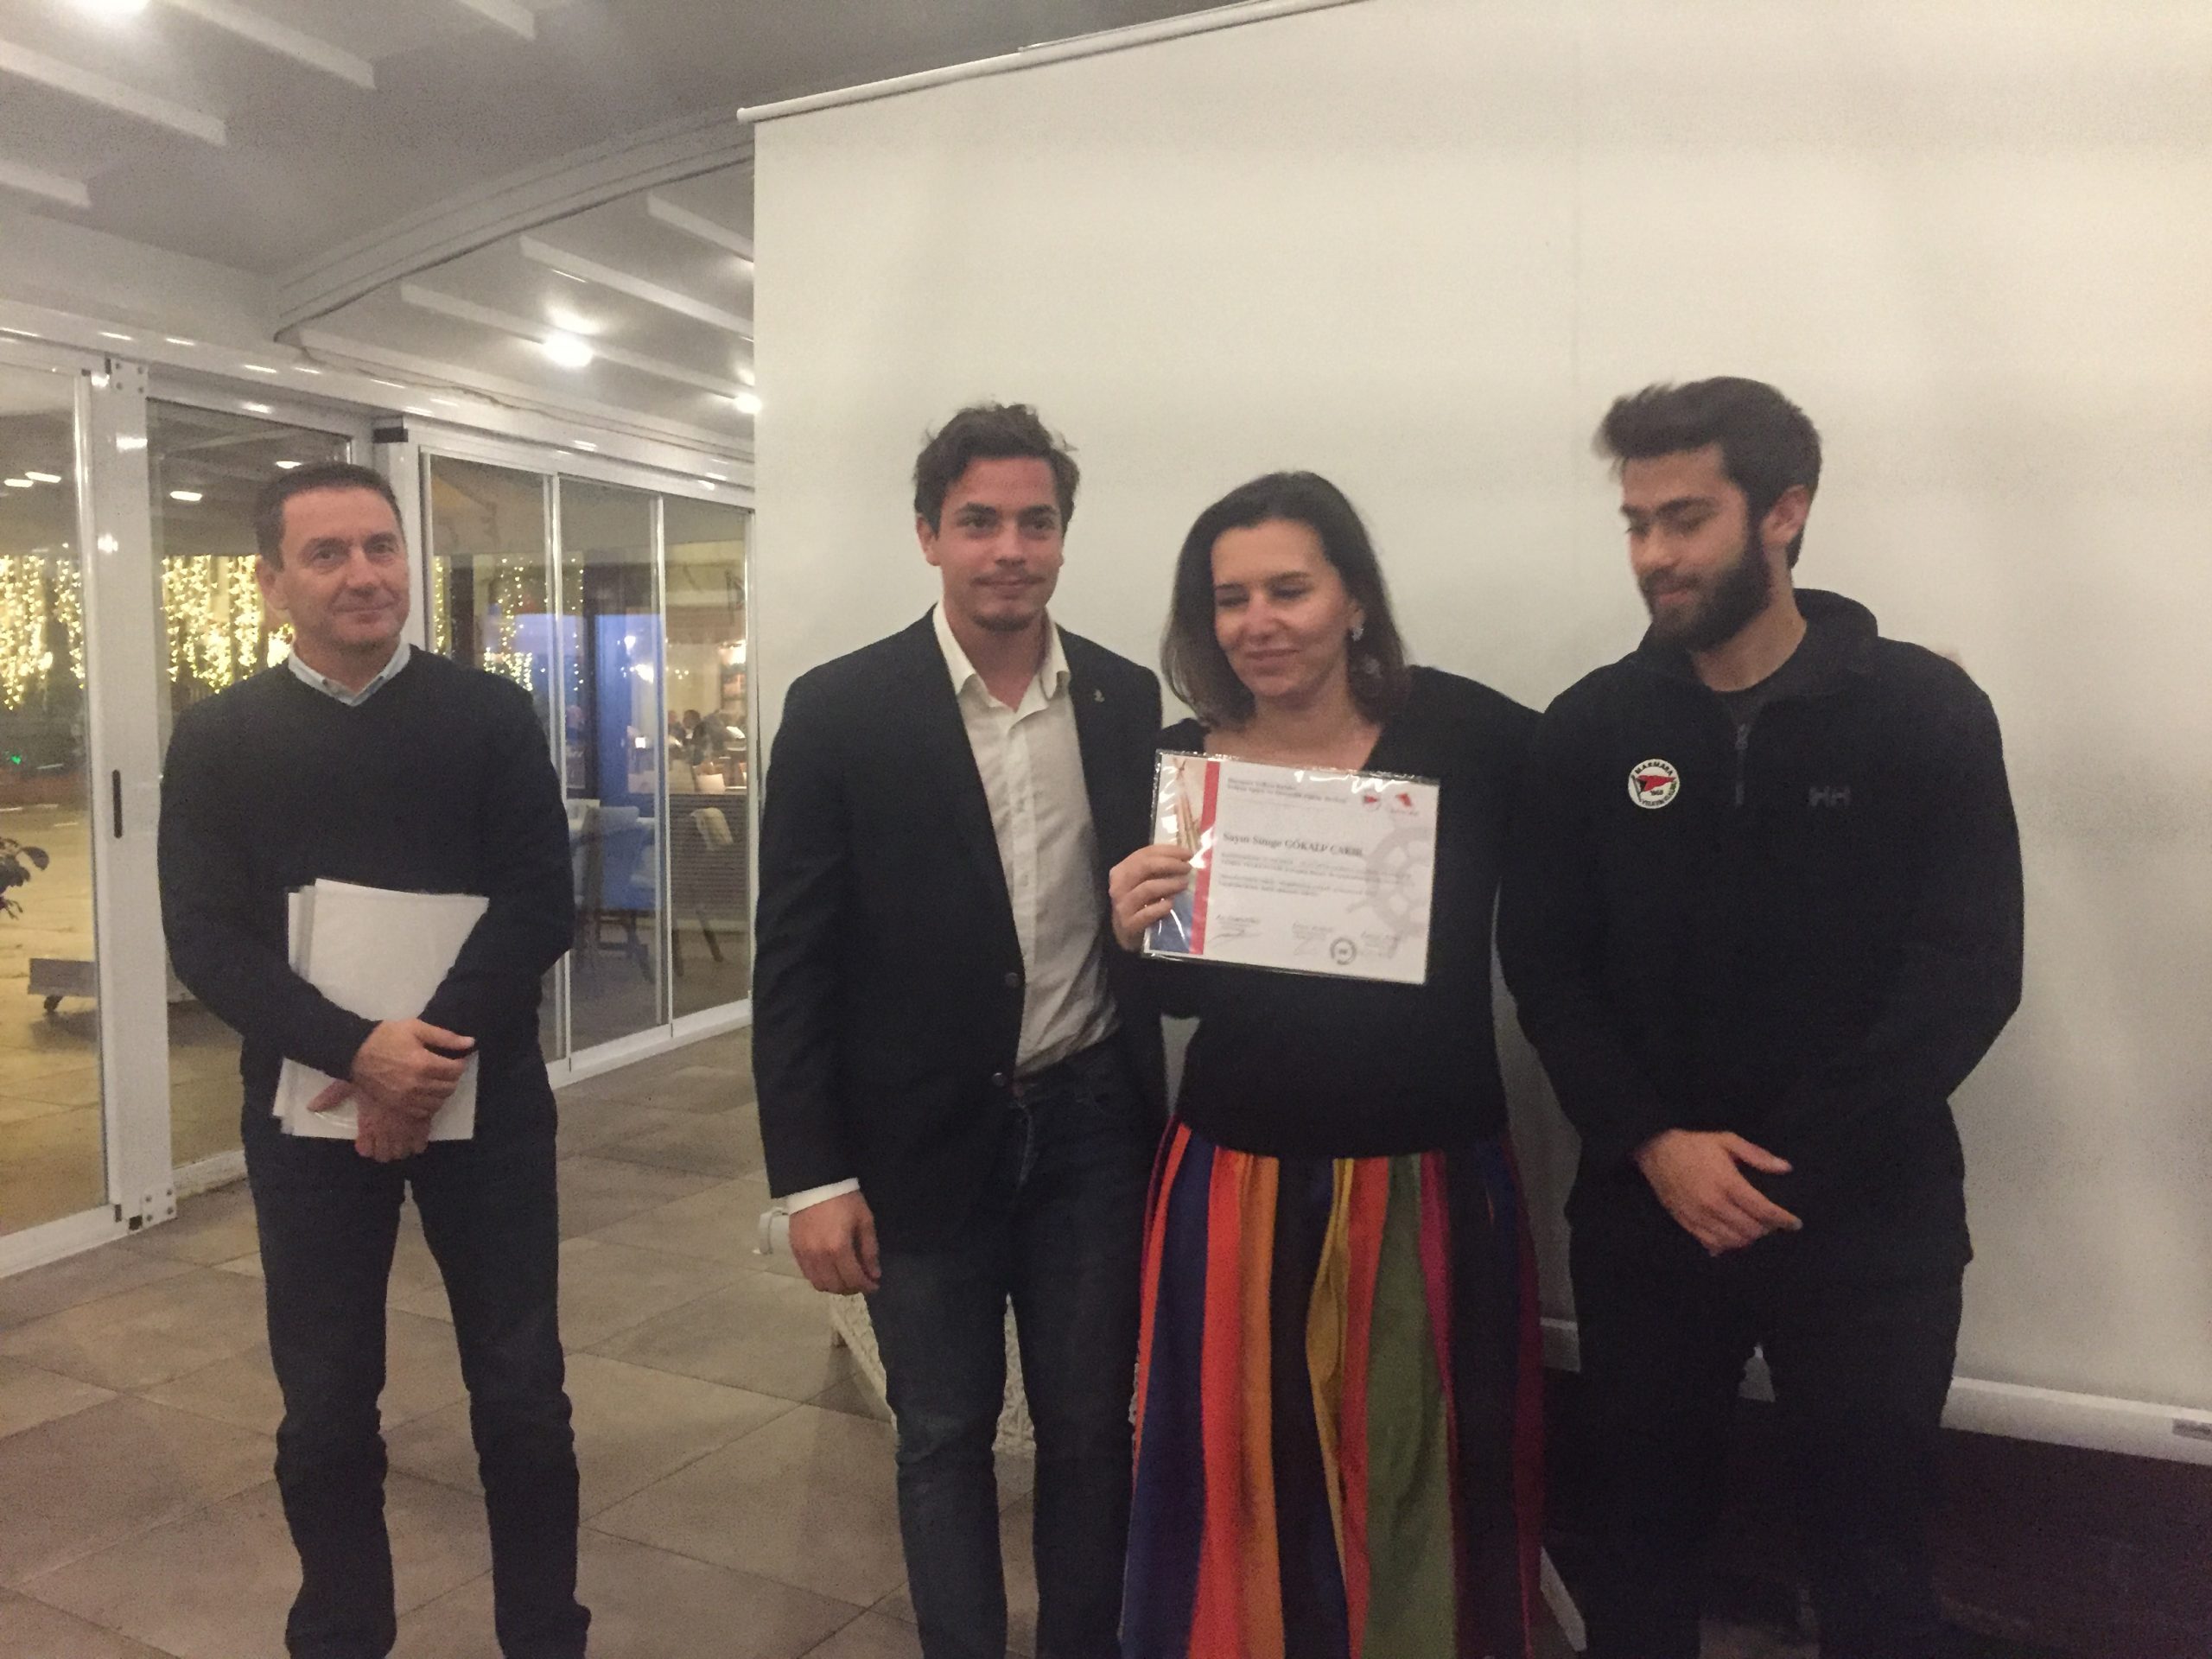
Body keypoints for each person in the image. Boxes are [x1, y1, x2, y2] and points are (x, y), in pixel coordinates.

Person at [1498, 378, 2024, 1658]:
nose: (1654, 555)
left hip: (1869, 1217)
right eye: (1636, 524)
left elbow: (1969, 972)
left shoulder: (1925, 713)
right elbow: (1547, 967)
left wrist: (1796, 1159)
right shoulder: (1591, 727)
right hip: (1648, 1210)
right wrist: (1656, 1144)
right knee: (1642, 1558)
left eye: (1685, 519)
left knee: (1875, 1564)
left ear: (1784, 513)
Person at [753, 403, 1166, 1659]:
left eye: (1036, 523)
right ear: (929, 534)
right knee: (940, 1436)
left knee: (1091, 1433)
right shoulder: (841, 709)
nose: (1009, 549)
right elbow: (795, 964)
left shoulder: (1124, 697)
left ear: (1064, 537)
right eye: (979, 521)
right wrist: (812, 1180)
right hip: (914, 1139)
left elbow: (1150, 907)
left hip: (1091, 1126)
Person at [1109, 473, 1543, 1659]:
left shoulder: (1471, 736)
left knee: (1417, 1470)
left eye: (1290, 590)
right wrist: (1134, 930)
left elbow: (1611, 831)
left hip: (1426, 1175)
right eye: (1231, 598)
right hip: (1236, 1173)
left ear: (1355, 599)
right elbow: (1179, 995)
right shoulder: (1184, 761)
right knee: (1242, 1473)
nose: (1260, 622)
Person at [158, 461, 588, 1659]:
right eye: (329, 553)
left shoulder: (489, 716)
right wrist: (360, 1053)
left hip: (486, 1103)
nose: (364, 575)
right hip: (308, 1115)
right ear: (272, 583)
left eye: (381, 547)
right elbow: (206, 939)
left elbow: (538, 905)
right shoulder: (221, 738)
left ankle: (545, 1636)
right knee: (327, 1408)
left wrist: (421, 1061)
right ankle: (342, 1633)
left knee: (523, 1397)